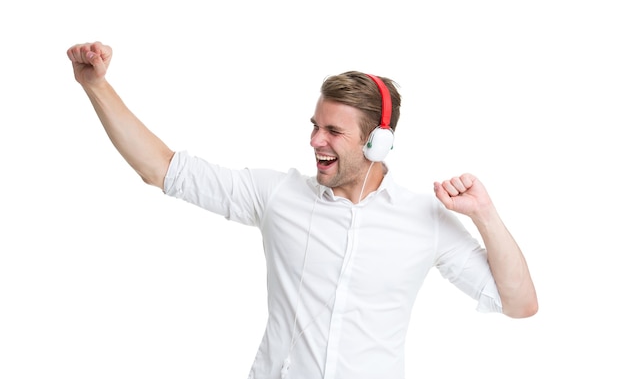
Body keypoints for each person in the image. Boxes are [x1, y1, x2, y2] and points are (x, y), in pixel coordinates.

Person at [67, 41, 538, 379]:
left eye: (333, 131)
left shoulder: (426, 220)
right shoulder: (277, 195)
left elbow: (519, 304)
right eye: (315, 126)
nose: (315, 141)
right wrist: (96, 86)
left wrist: (485, 215)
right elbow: (163, 169)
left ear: (378, 142)